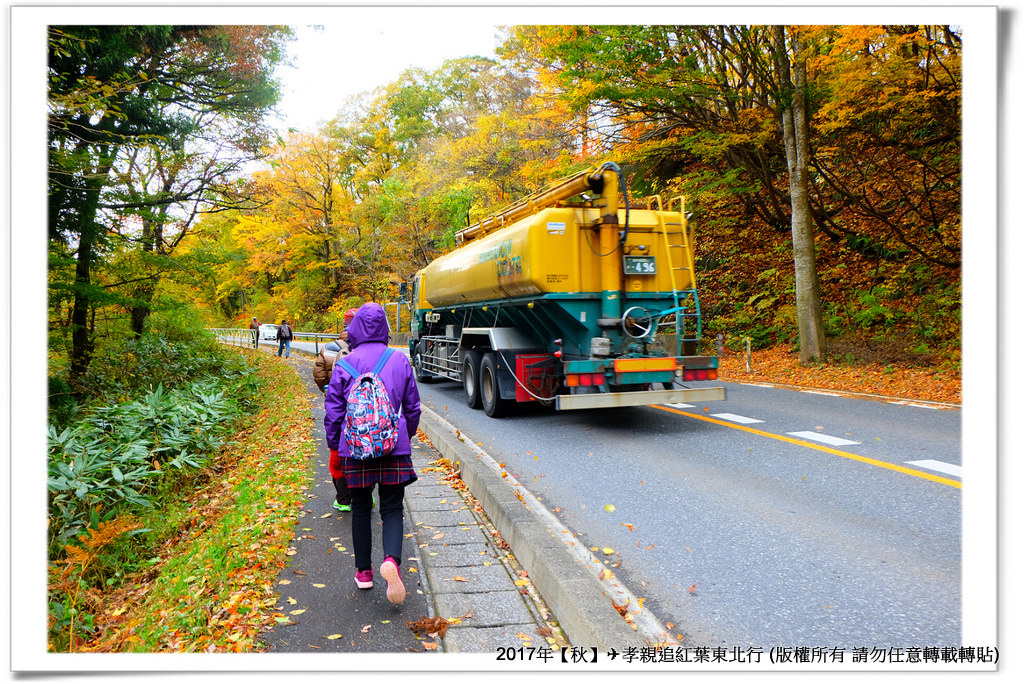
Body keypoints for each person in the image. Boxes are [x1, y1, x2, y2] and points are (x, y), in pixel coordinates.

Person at [324, 303, 420, 604]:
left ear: (354, 329)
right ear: (385, 328)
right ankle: (392, 561)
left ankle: (363, 573)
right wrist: (405, 434)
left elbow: (333, 413)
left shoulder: (344, 363)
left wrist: (335, 445)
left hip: (355, 450)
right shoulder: (399, 360)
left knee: (362, 508)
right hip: (394, 448)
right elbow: (413, 406)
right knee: (392, 508)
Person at [313, 308, 358, 512]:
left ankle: (343, 498)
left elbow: (319, 374)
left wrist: (328, 390)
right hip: (361, 407)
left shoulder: (330, 347)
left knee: (338, 448)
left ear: (343, 324)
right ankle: (364, 494)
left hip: (335, 403)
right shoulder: (364, 347)